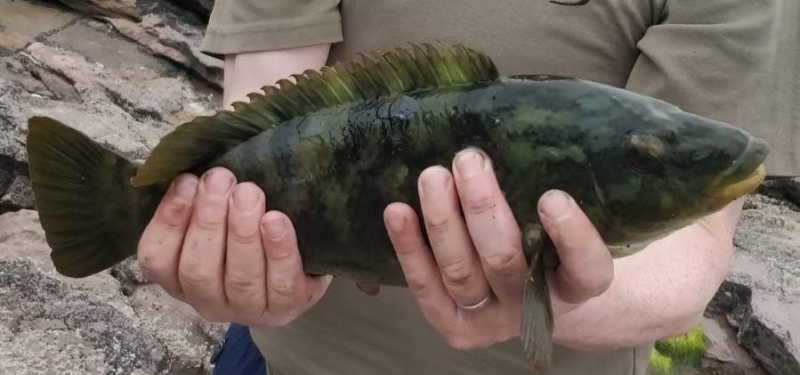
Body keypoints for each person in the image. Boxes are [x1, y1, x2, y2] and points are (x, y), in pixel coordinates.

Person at [135, 1, 799, 374]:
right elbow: (268, 108)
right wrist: (236, 248)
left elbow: (695, 241)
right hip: (280, 363)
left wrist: (555, 299)